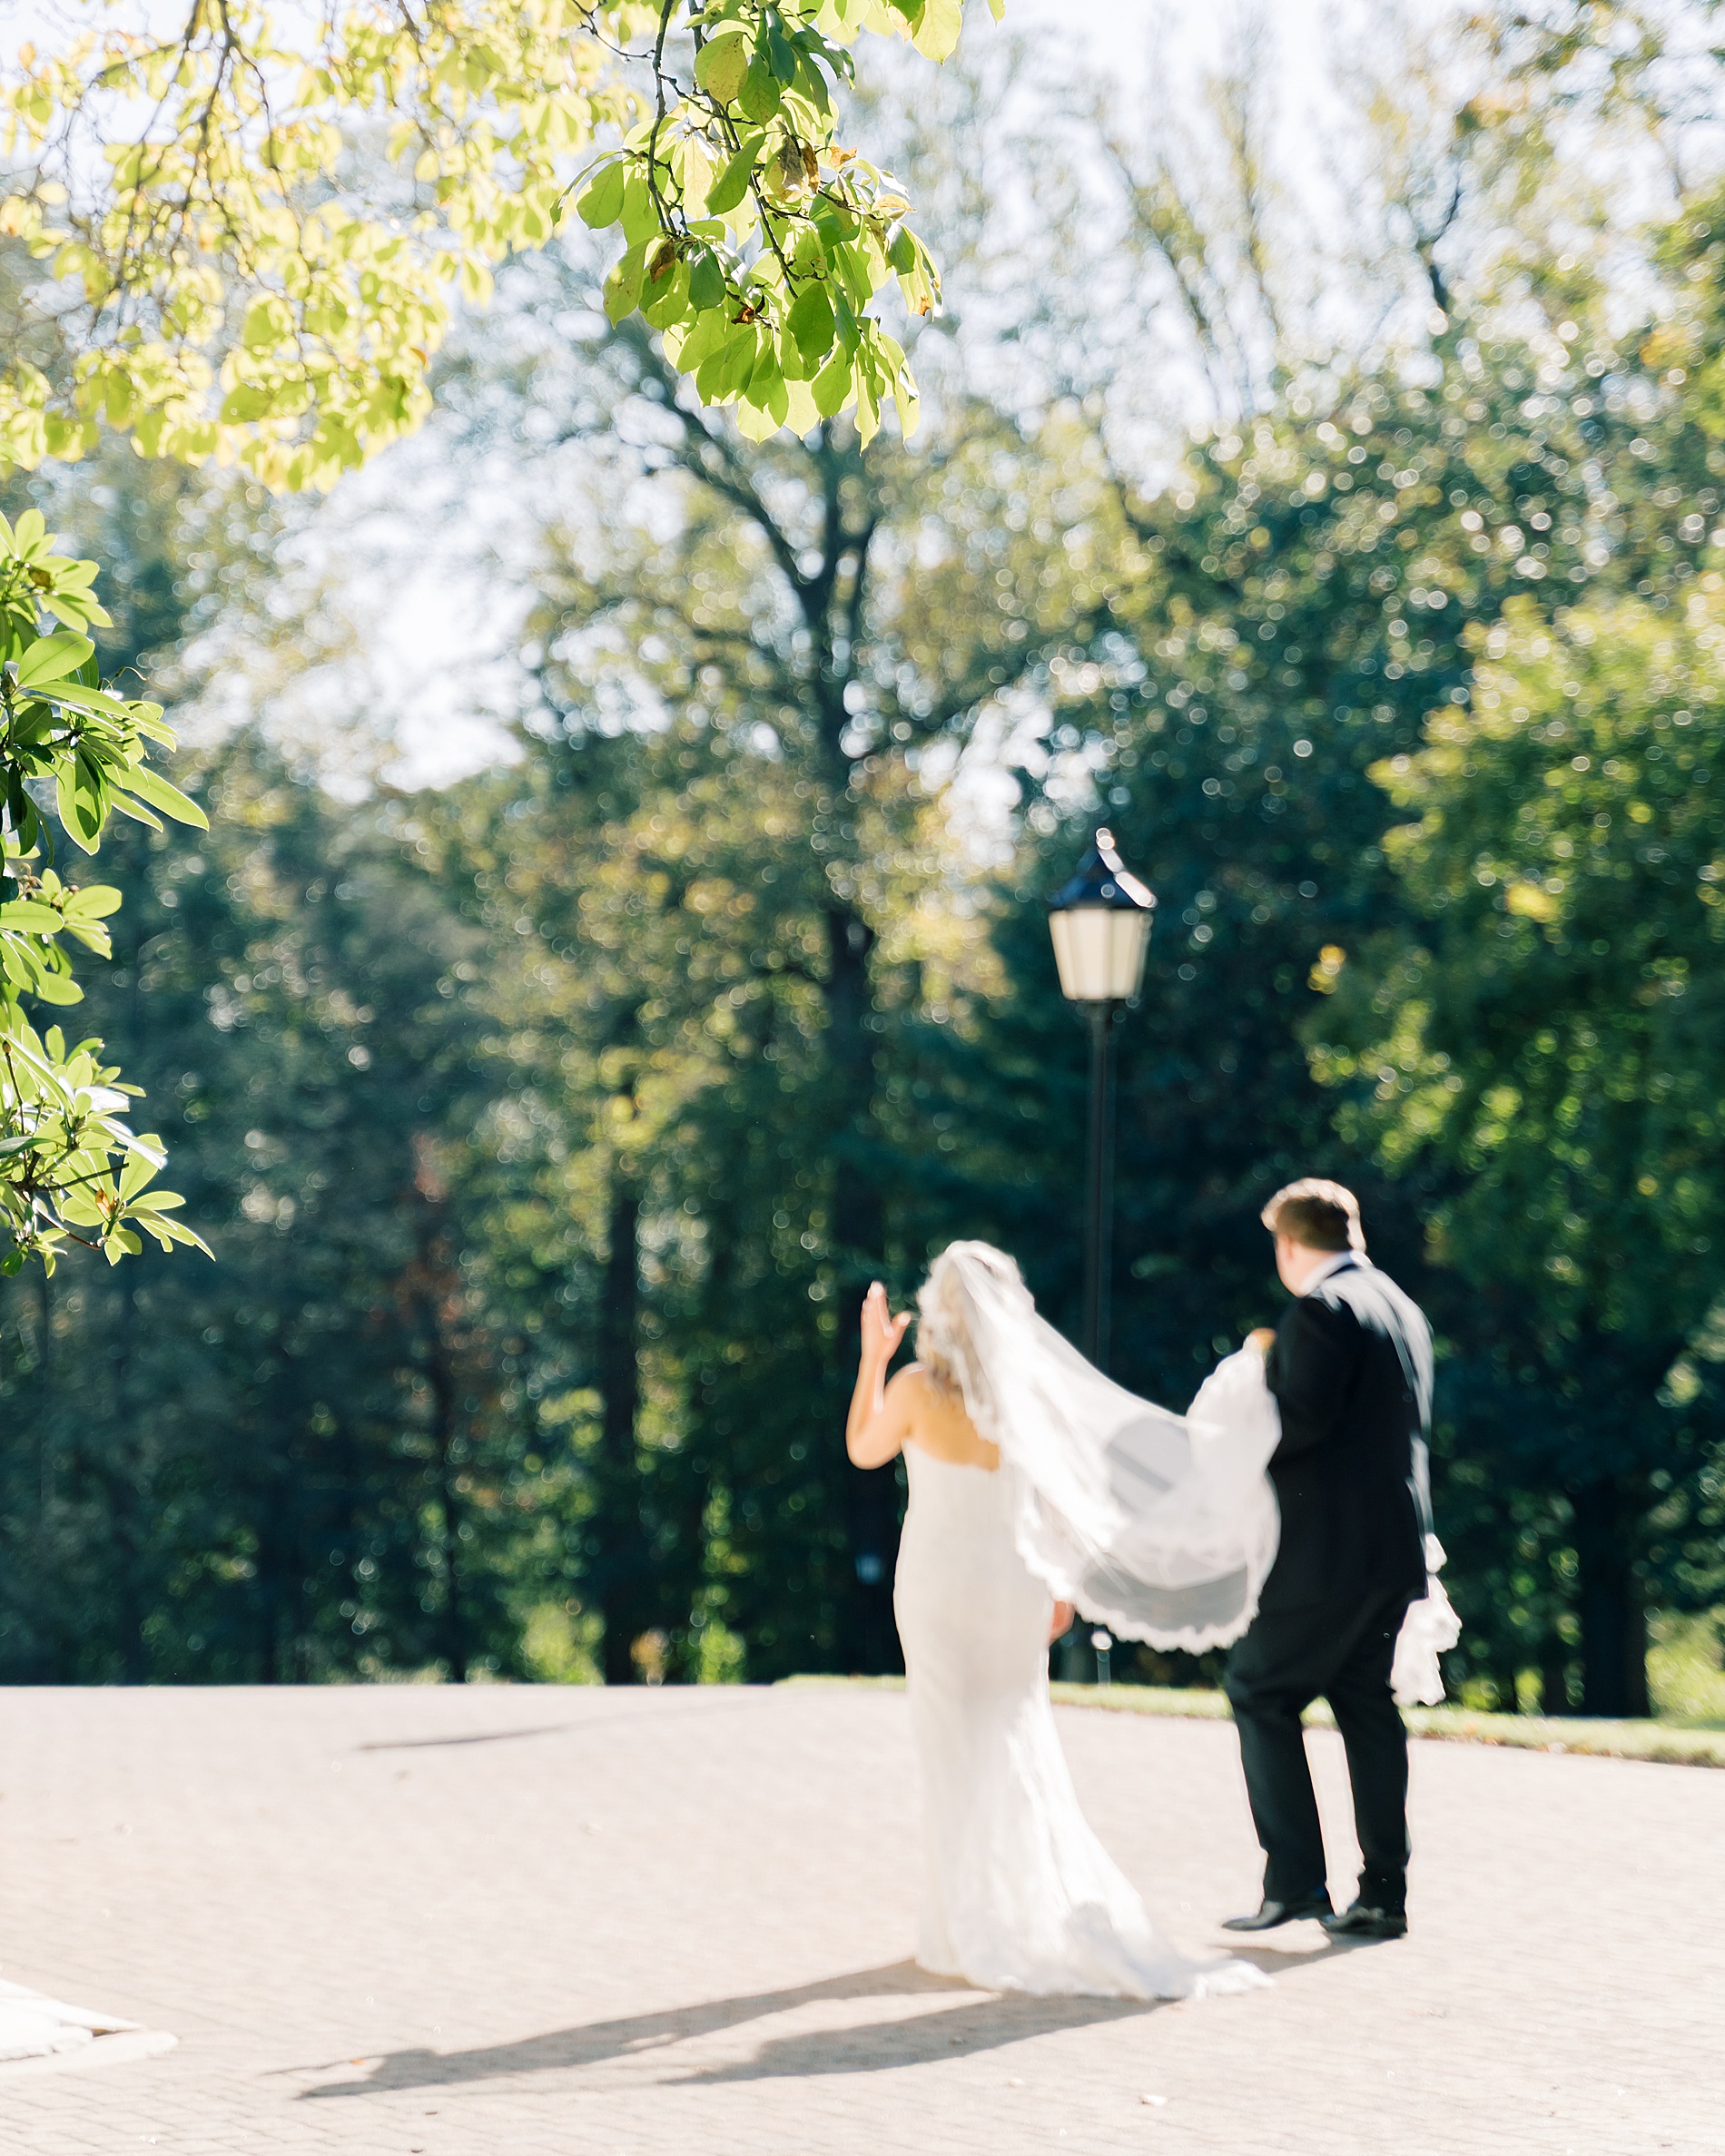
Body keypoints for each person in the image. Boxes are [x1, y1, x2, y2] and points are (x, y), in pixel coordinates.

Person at [846, 1241, 1274, 2001]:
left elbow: (862, 1449)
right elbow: (1057, 1499)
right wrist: (1062, 1586)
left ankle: (958, 1924)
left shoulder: (914, 1390)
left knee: (951, 1744)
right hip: (1014, 1580)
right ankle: (998, 1910)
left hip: (939, 1588)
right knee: (1016, 1738)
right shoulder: (1024, 1400)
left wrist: (872, 1358)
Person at [1220, 1178, 1435, 1943]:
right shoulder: (1399, 1306)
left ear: (1288, 1244)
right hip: (1395, 1547)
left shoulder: (1320, 1310)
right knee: (1366, 1706)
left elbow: (1300, 1424)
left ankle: (1296, 1882)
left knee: (1258, 1689)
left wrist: (1252, 1395)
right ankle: (1383, 1892)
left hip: (1329, 1552)